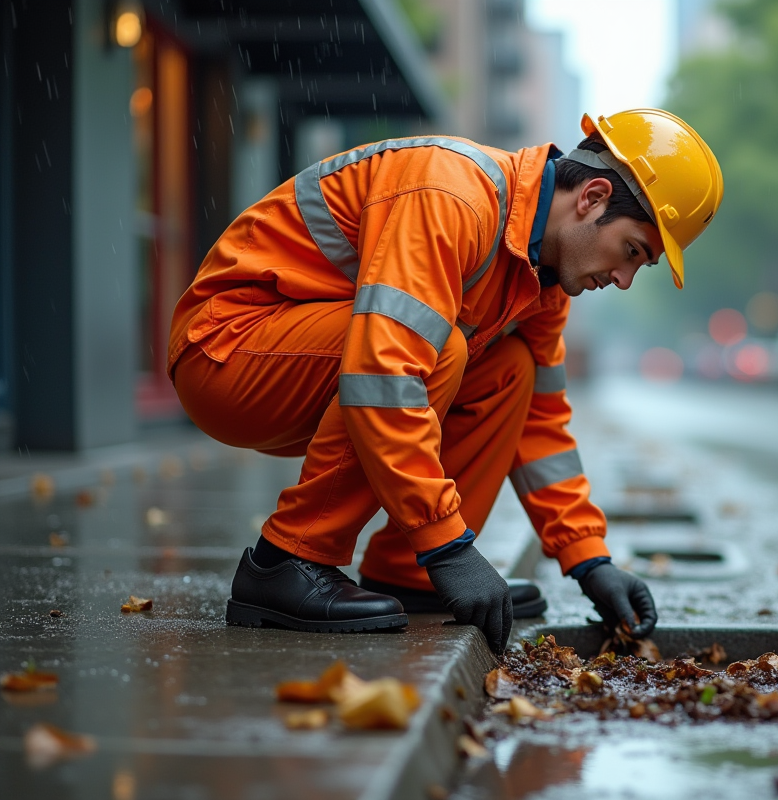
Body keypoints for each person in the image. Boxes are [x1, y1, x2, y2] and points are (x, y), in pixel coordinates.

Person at [168, 109, 723, 654]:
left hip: (303, 361)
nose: (624, 280)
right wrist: (449, 548)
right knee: (438, 349)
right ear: (592, 197)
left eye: (640, 266)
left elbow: (540, 422)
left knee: (511, 371)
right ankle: (287, 561)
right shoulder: (452, 194)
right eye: (631, 251)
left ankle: (407, 575)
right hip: (225, 351)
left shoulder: (544, 283)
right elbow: (383, 374)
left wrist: (588, 560)